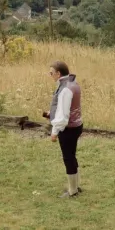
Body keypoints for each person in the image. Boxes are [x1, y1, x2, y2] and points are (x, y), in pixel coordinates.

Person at [47, 61, 83, 198]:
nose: (50, 75)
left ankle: (72, 191)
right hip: (76, 126)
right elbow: (69, 108)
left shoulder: (65, 89)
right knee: (72, 156)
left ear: (58, 73)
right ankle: (76, 186)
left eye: (51, 73)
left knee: (68, 158)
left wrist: (54, 132)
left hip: (68, 129)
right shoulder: (73, 83)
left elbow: (63, 116)